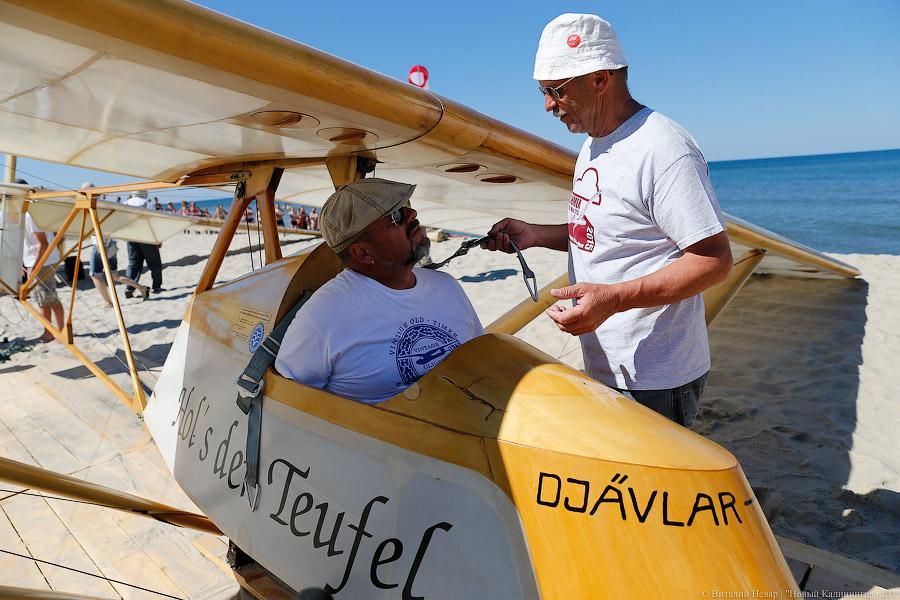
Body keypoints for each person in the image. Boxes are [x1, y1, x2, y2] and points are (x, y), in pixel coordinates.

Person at [483, 14, 732, 426]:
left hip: (655, 378)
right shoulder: (594, 143)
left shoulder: (663, 150)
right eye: (543, 92)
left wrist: (612, 300)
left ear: (600, 79)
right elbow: (609, 231)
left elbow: (714, 261)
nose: (547, 105)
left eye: (555, 91)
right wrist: (536, 235)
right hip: (609, 364)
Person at [275, 178, 483, 404]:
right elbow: (289, 407)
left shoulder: (447, 286)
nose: (411, 214)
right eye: (395, 216)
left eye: (406, 205)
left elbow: (483, 361)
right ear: (363, 253)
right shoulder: (324, 315)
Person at [78, 183, 149, 304]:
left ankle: (109, 303)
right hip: (110, 243)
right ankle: (141, 288)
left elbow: (100, 227)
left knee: (95, 274)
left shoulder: (95, 205)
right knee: (113, 276)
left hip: (101, 243)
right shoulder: (104, 204)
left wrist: (101, 245)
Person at [19, 180, 65, 342]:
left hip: (42, 261)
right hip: (41, 260)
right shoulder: (28, 211)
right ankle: (55, 331)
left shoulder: (31, 214)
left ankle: (55, 332)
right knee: (45, 299)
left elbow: (43, 243)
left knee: (47, 299)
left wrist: (35, 268)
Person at [123, 191, 164, 296]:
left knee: (133, 264)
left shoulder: (125, 203)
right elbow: (154, 223)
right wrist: (158, 239)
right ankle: (156, 286)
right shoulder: (148, 204)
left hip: (131, 237)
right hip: (146, 237)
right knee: (154, 263)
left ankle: (129, 287)